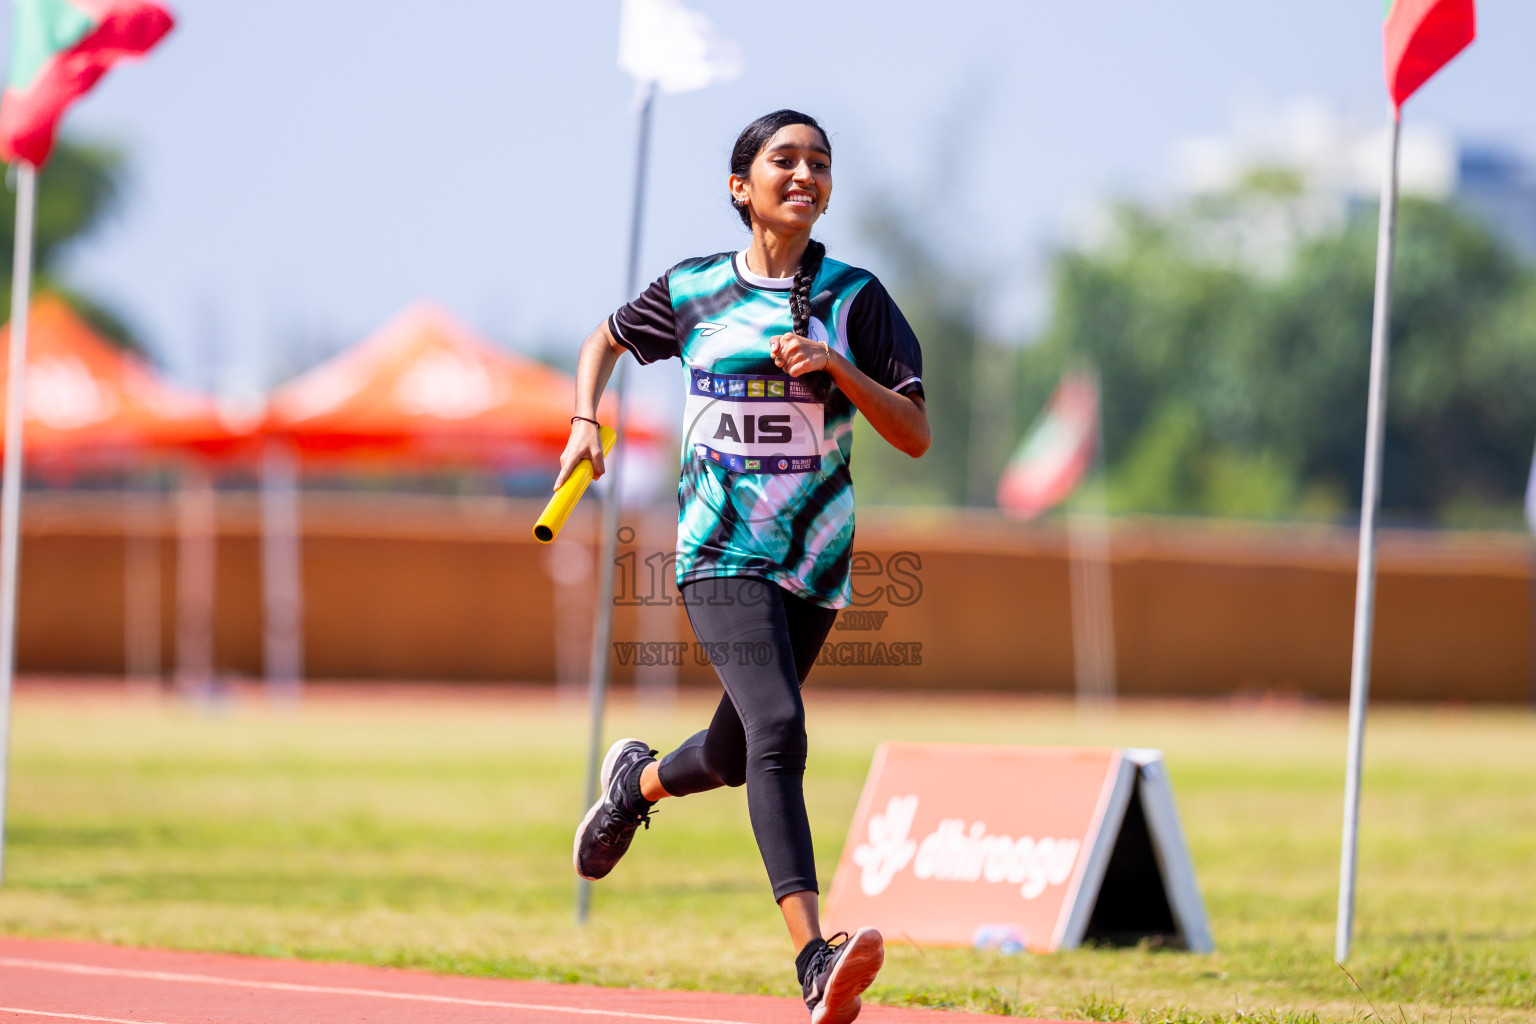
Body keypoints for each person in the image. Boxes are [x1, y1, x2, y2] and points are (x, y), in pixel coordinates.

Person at [558, 109, 929, 1024]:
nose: (805, 174)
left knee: (732, 750)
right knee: (778, 728)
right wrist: (583, 421)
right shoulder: (693, 291)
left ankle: (634, 784)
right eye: (784, 160)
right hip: (718, 554)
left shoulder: (858, 298)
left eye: (820, 163)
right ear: (741, 186)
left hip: (816, 564)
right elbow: (603, 337)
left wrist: (837, 370)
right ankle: (814, 958)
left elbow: (916, 435)